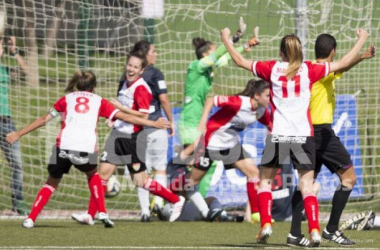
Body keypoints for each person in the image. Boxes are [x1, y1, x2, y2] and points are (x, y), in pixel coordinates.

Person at [221, 27, 371, 247]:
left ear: (281, 53)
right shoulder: (309, 70)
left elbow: (240, 61)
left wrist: (226, 39)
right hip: (303, 136)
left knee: (264, 181)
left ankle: (266, 224)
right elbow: (342, 63)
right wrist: (362, 40)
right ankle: (314, 230)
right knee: (307, 185)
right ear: (300, 51)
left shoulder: (271, 68)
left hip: (278, 135)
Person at [6, 70, 170, 228]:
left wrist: (18, 134)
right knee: (93, 175)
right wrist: (153, 123)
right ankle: (103, 213)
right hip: (85, 147)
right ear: (94, 88)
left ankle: (30, 219)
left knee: (51, 182)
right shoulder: (99, 101)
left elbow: (43, 120)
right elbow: (126, 117)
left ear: (77, 85)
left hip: (63, 146)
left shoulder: (66, 99)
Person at [72, 52, 185, 225]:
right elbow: (123, 109)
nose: (131, 69)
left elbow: (144, 114)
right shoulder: (124, 83)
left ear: (141, 70)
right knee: (101, 175)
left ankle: (175, 200)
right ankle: (90, 214)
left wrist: (120, 110)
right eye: (129, 65)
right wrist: (114, 118)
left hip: (133, 138)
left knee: (141, 180)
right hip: (118, 135)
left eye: (135, 67)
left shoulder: (141, 88)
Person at [288, 34, 376, 247]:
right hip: (321, 134)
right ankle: (332, 229)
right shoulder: (322, 72)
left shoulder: (310, 68)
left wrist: (361, 57)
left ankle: (294, 234)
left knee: (305, 184)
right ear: (333, 51)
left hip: (305, 133)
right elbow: (343, 64)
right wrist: (361, 42)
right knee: (349, 178)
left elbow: (342, 67)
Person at [171, 79, 271, 223]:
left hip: (231, 146)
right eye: (268, 95)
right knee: (192, 182)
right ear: (256, 95)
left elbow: (271, 124)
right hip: (211, 143)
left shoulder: (261, 111)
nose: (270, 98)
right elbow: (211, 99)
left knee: (254, 173)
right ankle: (169, 193)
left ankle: (255, 213)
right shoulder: (239, 102)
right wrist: (202, 122)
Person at [122, 40, 174, 222]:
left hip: (136, 129)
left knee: (140, 171)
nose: (156, 54)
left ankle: (145, 212)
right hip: (155, 125)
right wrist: (171, 120)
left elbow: (122, 102)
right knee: (160, 168)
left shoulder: (126, 75)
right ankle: (158, 204)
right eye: (154, 51)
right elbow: (164, 99)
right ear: (145, 54)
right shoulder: (155, 73)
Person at [0, 36, 29, 215]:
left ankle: (18, 203)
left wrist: (14, 51)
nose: (1, 48)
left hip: (5, 122)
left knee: (17, 163)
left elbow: (26, 72)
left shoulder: (4, 70)